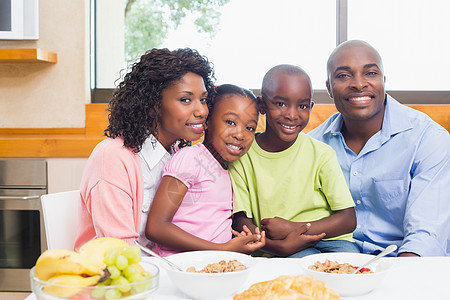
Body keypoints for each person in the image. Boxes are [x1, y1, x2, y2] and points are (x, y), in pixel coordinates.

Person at [309, 40, 450, 257]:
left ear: (384, 81)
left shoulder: (428, 139)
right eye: (344, 75)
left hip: (405, 263)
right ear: (328, 88)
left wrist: (398, 286)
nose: (358, 84)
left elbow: (425, 236)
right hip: (335, 263)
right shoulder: (313, 145)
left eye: (371, 73)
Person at [74, 48, 215, 250]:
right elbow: (120, 251)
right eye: (185, 99)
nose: (202, 110)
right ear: (153, 104)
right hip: (115, 276)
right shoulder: (113, 157)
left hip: (162, 269)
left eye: (203, 99)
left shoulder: (177, 157)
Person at [230, 65, 359, 258]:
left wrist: (293, 228)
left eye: (302, 106)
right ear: (262, 105)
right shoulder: (241, 157)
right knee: (301, 279)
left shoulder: (322, 154)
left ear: (311, 108)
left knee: (351, 271)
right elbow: (241, 222)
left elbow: (348, 220)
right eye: (281, 104)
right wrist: (277, 246)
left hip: (332, 241)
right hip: (277, 246)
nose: (292, 115)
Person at [145, 84, 265, 256]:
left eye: (250, 128)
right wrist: (223, 249)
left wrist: (248, 238)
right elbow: (156, 227)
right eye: (230, 122)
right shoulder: (190, 159)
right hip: (179, 266)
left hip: (211, 267)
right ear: (207, 121)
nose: (240, 134)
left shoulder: (230, 168)